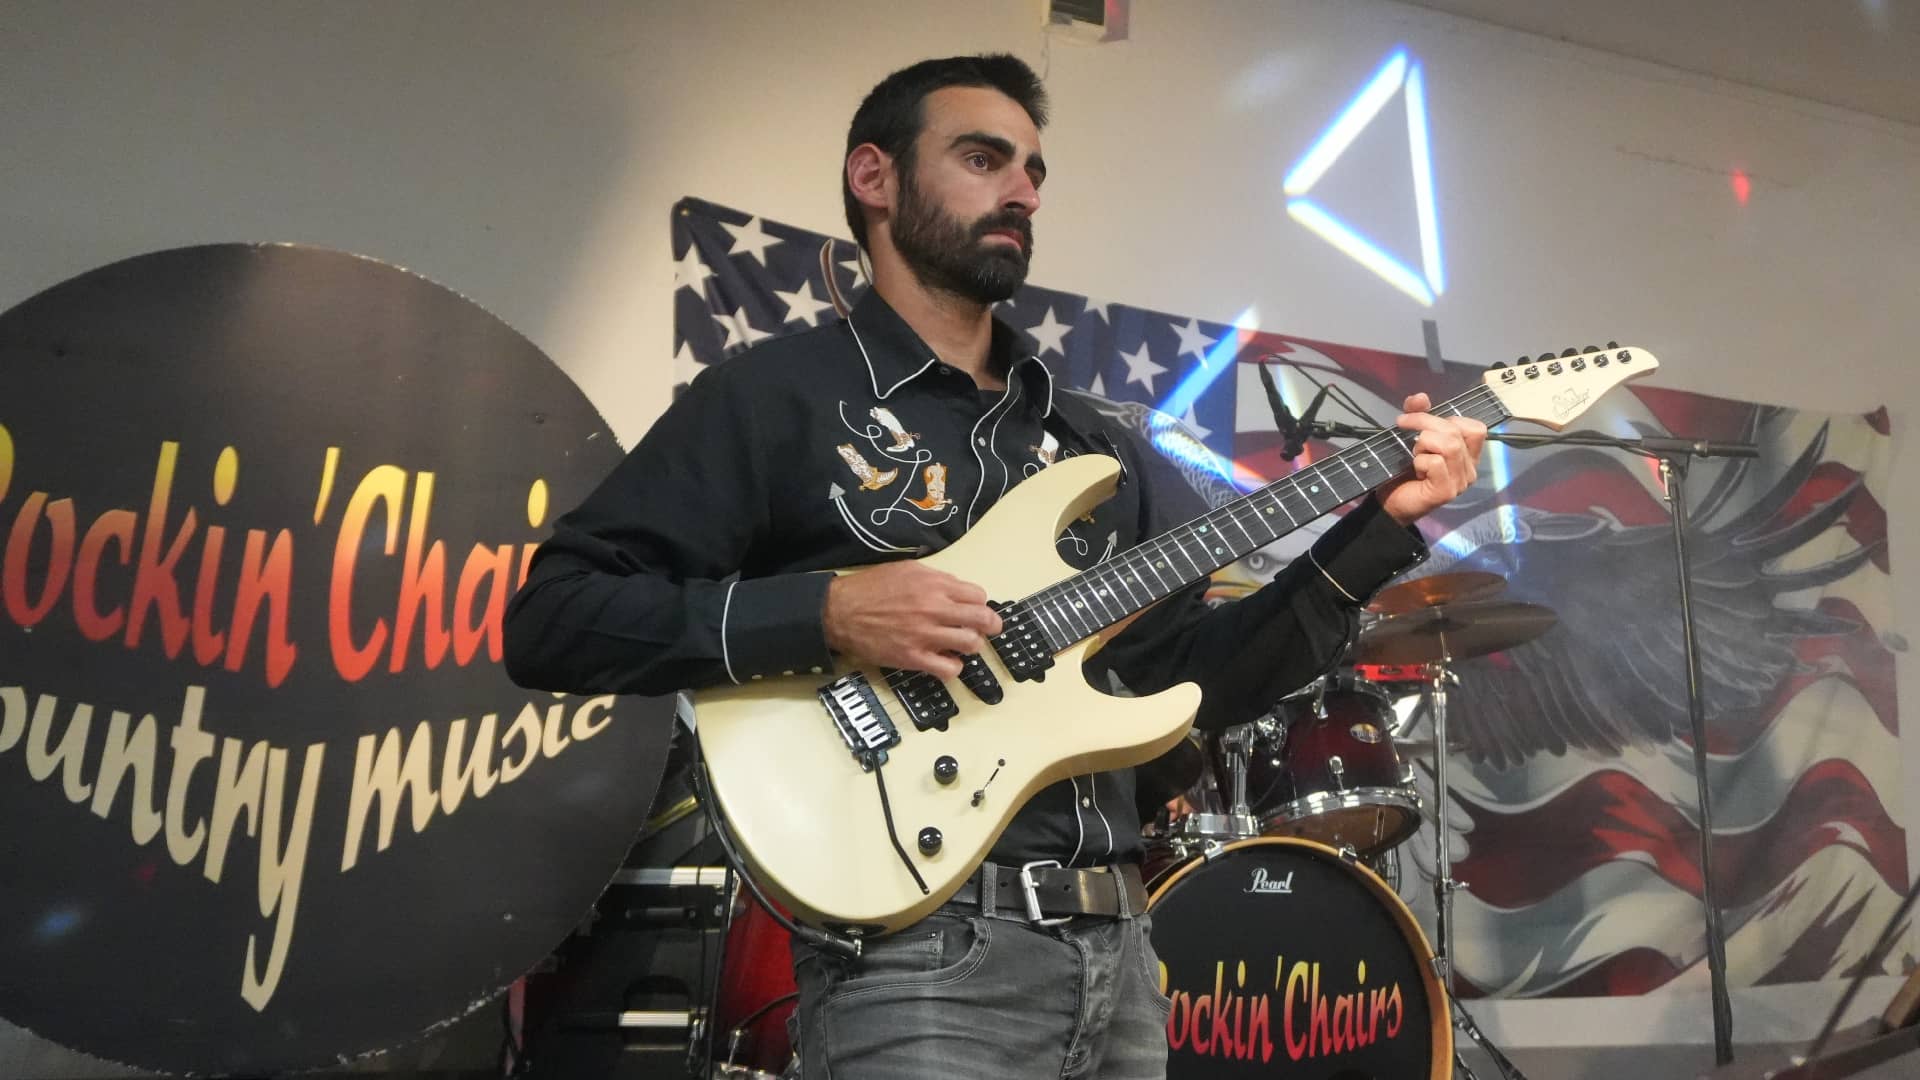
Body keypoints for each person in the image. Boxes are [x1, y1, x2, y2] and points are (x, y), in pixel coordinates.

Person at [503, 53, 1486, 1080]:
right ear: (874, 179)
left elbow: (1194, 685)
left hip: (1121, 957)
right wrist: (827, 610)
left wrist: (1379, 528)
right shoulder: (776, 397)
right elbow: (556, 618)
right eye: (983, 158)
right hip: (915, 962)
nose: (1021, 190)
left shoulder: (1092, 445)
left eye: (1032, 171)